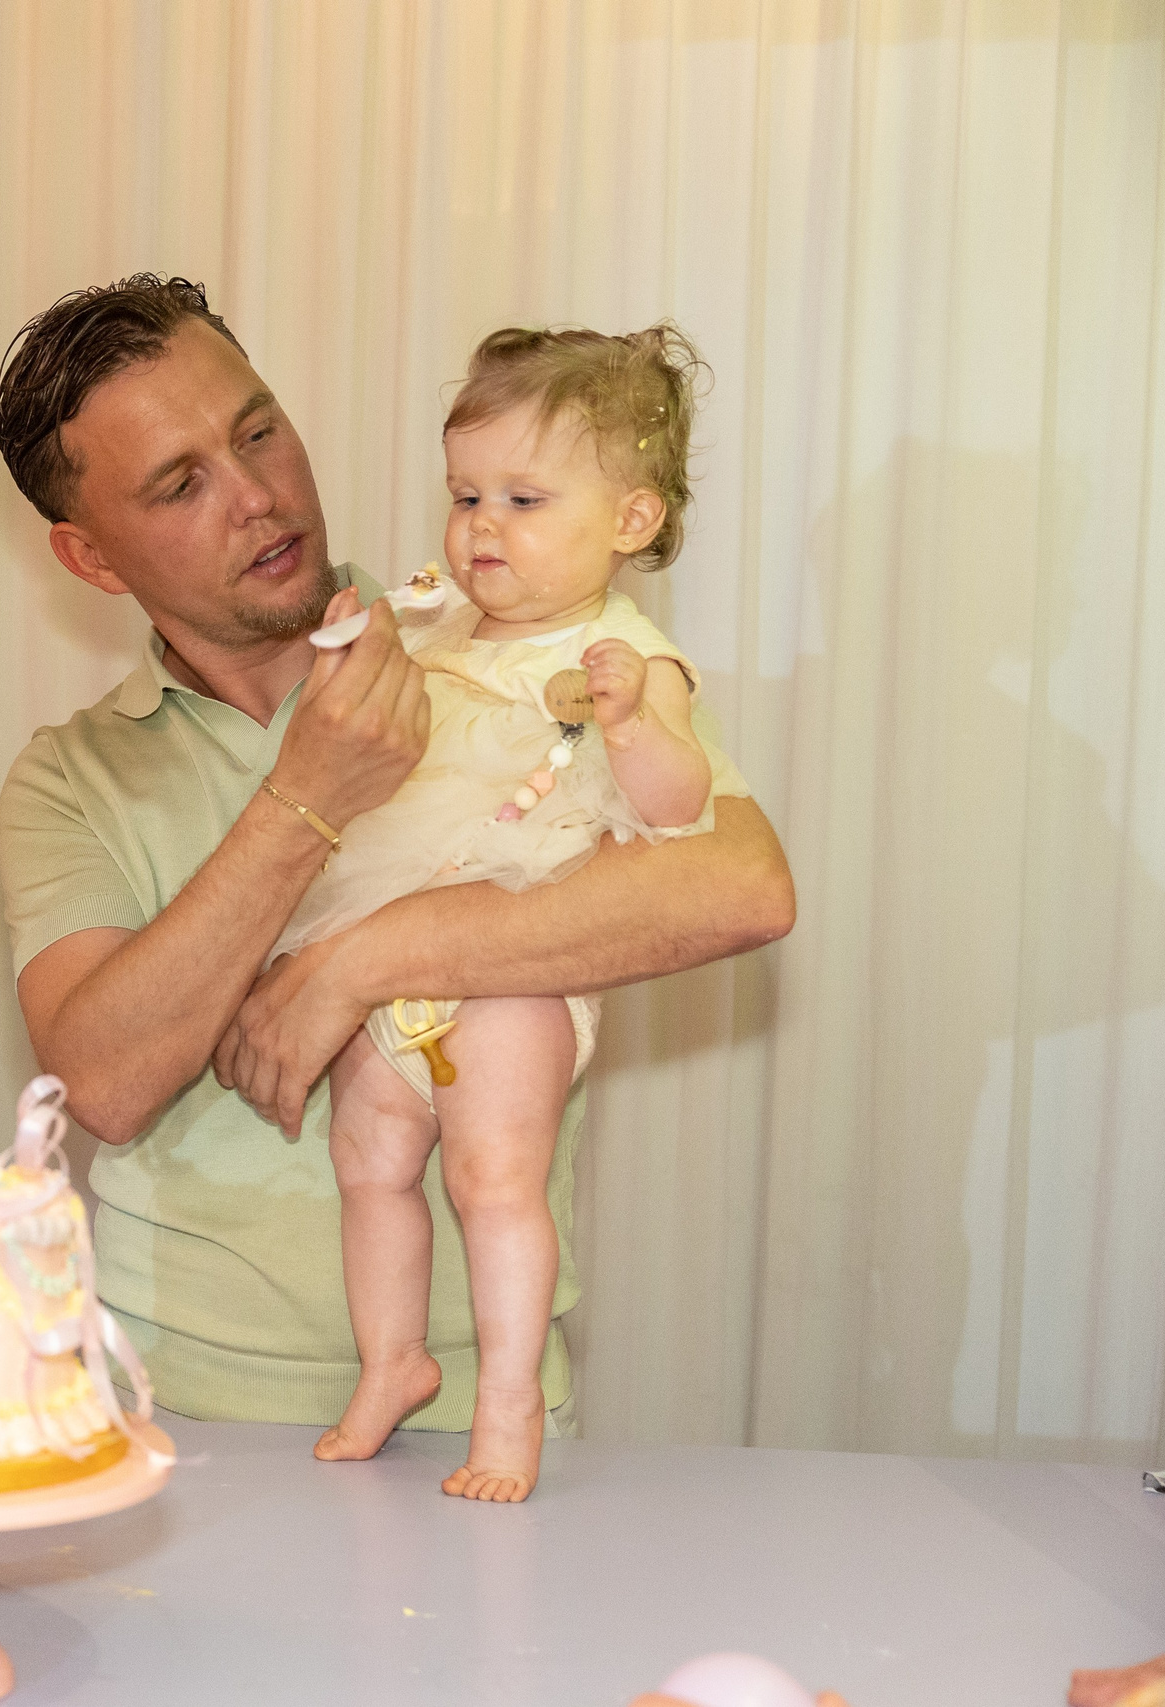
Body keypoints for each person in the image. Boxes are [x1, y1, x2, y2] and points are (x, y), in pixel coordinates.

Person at [0, 276, 795, 1451]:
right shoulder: (68, 780)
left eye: (257, 429)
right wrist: (304, 797)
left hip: (488, 1407)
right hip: (173, 1405)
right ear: (91, 558)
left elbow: (738, 887)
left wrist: (357, 962)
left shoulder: (508, 637)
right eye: (181, 484)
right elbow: (102, 1080)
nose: (260, 496)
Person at [285, 324, 733, 1502]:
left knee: (492, 1179)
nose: (482, 525)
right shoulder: (439, 620)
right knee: (369, 1159)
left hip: (519, 961)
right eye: (465, 494)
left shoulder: (627, 652)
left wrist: (633, 723)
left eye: (524, 498)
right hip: (394, 945)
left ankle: (508, 1401)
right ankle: (392, 1362)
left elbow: (682, 808)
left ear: (628, 523)